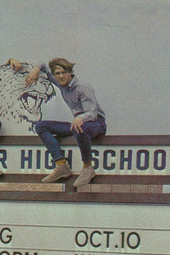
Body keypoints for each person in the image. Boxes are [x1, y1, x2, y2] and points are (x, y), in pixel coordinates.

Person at [7, 57, 106, 188]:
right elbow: (43, 64)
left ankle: (88, 168)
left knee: (79, 127)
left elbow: (92, 113)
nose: (60, 76)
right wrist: (34, 68)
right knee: (41, 126)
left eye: (63, 72)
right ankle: (61, 165)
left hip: (95, 123)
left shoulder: (83, 87)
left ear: (70, 72)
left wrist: (81, 118)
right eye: (57, 74)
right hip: (77, 124)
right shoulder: (61, 84)